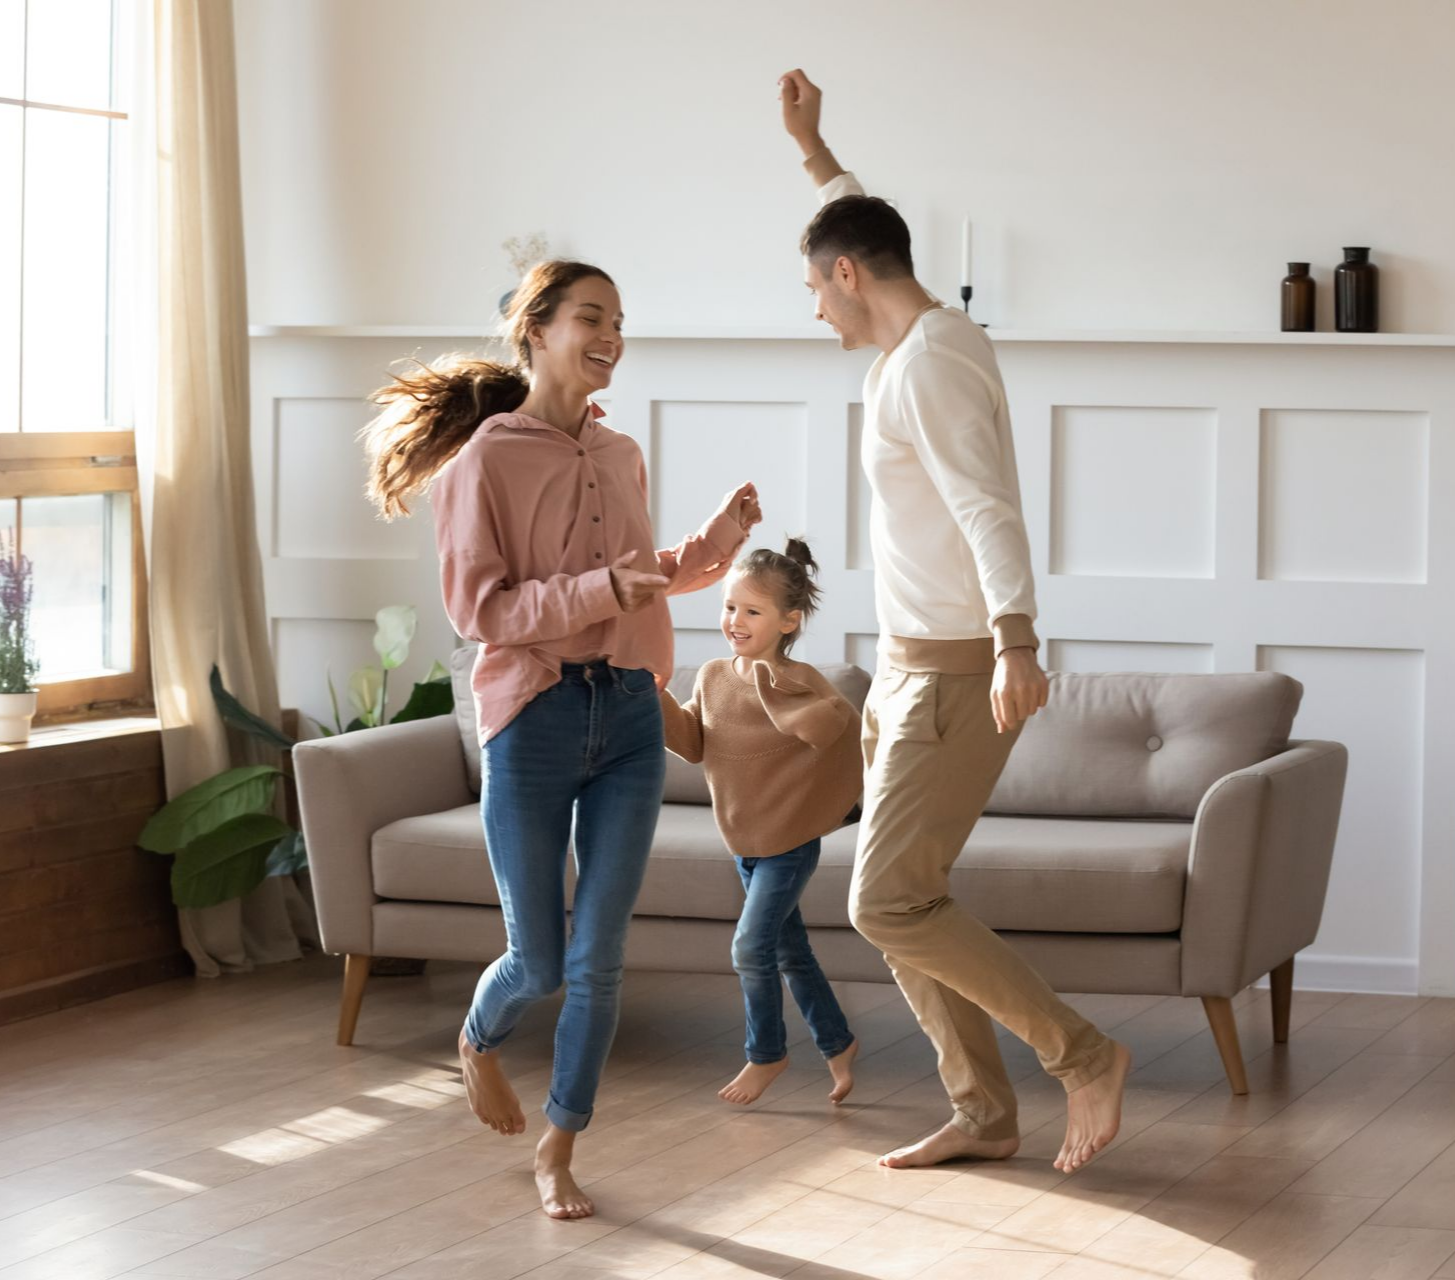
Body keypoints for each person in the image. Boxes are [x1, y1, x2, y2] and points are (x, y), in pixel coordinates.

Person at [776, 69, 1131, 1175]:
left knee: (885, 895)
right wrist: (814, 150)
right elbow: (862, 221)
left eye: (814, 288)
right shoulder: (921, 337)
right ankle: (981, 1110)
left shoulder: (927, 365)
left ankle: (1081, 1055)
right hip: (906, 670)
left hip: (955, 673)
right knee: (903, 899)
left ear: (846, 277)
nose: (813, 307)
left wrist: (1018, 641)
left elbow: (988, 509)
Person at [362, 260, 761, 1219]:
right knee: (536, 961)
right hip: (532, 721)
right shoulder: (485, 462)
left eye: (620, 319)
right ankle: (476, 1039)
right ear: (534, 329)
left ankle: (559, 1147)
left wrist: (707, 548)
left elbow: (634, 575)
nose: (611, 333)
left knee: (597, 962)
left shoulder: (620, 455)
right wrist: (598, 592)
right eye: (592, 317)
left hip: (625, 713)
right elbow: (478, 611)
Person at [661, 540, 864, 1108]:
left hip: (788, 842)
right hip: (742, 840)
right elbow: (694, 743)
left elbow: (830, 729)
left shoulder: (800, 680)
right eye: (730, 607)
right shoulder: (711, 675)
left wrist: (773, 690)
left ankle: (765, 1052)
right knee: (788, 951)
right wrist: (654, 699)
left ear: (789, 620)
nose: (735, 621)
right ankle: (839, 1043)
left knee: (750, 948)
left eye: (752, 611)